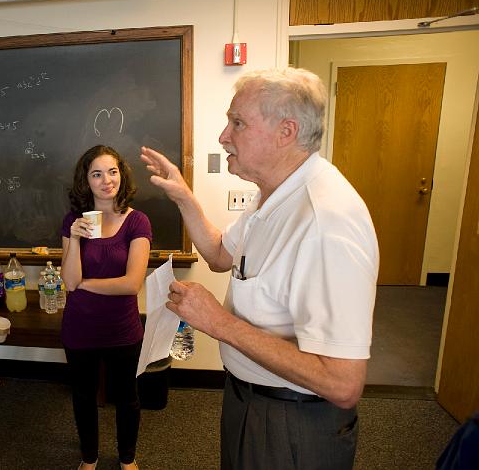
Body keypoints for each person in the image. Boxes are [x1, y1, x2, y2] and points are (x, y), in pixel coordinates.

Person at [141, 67, 379, 469]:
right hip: (249, 399)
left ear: (286, 132)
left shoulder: (326, 224)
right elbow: (220, 254)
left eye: (238, 123)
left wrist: (217, 322)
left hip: (293, 420)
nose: (223, 136)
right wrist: (183, 196)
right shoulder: (273, 197)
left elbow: (342, 384)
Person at [61, 145, 151, 470]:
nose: (106, 180)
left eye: (112, 171)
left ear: (121, 174)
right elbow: (69, 279)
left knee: (127, 398)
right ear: (86, 181)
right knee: (83, 398)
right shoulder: (75, 222)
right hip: (80, 328)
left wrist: (84, 285)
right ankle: (89, 457)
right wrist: (72, 239)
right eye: (97, 174)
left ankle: (127, 458)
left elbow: (131, 283)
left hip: (122, 329)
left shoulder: (137, 221)